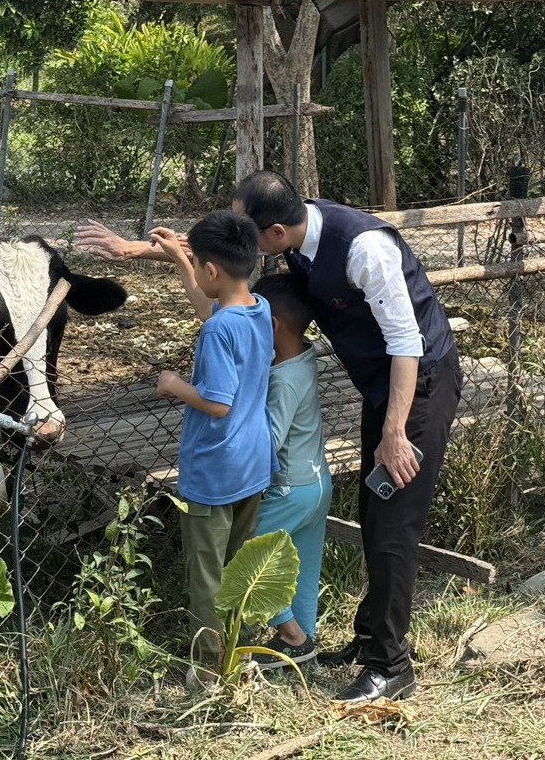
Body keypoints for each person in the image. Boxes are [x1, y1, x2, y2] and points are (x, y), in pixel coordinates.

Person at [230, 170, 462, 703]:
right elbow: (220, 258)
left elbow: (408, 344)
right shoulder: (298, 230)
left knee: (393, 522)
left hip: (418, 383)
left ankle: (390, 666)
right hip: (383, 388)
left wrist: (396, 433)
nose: (245, 246)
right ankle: (369, 639)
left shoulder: (364, 249)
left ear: (277, 234)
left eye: (249, 235)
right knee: (373, 510)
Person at [148, 211, 276, 687]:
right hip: (251, 465)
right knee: (239, 568)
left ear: (214, 271)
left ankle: (207, 669)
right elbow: (210, 308)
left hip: (213, 471)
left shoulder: (218, 331)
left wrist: (174, 384)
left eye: (199, 265)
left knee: (206, 576)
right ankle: (238, 654)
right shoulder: (257, 309)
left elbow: (217, 403)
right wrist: (181, 259)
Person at [246, 272, 333, 671]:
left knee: (245, 554)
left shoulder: (282, 380)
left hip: (288, 488)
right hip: (318, 483)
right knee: (304, 566)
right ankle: (304, 642)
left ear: (272, 325)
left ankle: (290, 633)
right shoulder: (303, 359)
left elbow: (269, 441)